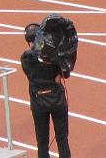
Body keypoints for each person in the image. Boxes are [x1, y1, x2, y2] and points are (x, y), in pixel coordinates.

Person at [21, 23, 70, 158]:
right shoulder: (53, 56)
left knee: (42, 143)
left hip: (38, 102)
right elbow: (65, 72)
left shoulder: (25, 58)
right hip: (57, 100)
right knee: (62, 140)